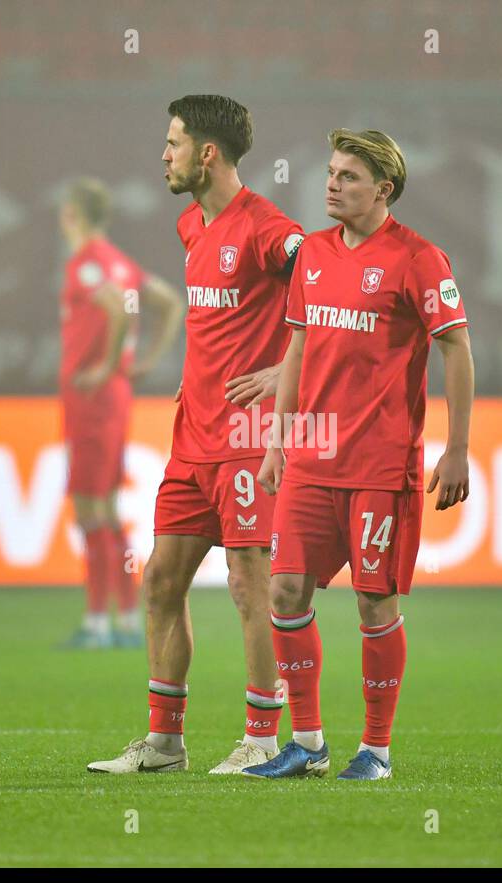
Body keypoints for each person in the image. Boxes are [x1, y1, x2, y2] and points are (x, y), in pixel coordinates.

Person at [244, 129, 475, 780]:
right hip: (313, 457)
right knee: (285, 590)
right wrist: (277, 441)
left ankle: (375, 749)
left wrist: (457, 449)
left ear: (385, 189)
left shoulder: (420, 259)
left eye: (348, 175)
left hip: (381, 463)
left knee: (375, 602)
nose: (331, 184)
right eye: (331, 172)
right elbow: (296, 349)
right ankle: (309, 741)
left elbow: (456, 349)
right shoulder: (312, 255)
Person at [87, 95, 305, 773]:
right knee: (159, 579)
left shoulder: (269, 229)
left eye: (174, 142)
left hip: (247, 438)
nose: (164, 154)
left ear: (207, 153)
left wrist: (281, 373)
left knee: (249, 583)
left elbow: (329, 283)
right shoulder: (192, 227)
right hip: (192, 439)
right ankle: (164, 742)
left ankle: (263, 738)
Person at [58, 178, 182, 650]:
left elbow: (114, 308)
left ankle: (97, 622)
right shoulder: (121, 262)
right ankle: (127, 617)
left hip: (92, 399)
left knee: (91, 509)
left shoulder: (89, 264)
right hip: (111, 396)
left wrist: (107, 365)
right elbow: (170, 302)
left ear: (71, 213)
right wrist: (143, 361)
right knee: (104, 507)